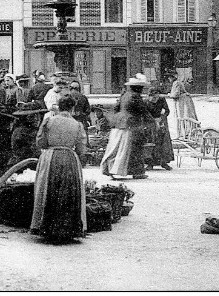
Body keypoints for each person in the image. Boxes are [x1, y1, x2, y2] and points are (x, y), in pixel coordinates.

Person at [31, 95, 88, 242]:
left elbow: (40, 142)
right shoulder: (77, 124)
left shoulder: (49, 121)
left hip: (50, 156)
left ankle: (45, 227)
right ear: (72, 108)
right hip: (70, 158)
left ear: (59, 107)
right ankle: (67, 229)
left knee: (47, 190)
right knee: (69, 192)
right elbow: (81, 148)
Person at [100, 74, 151, 179]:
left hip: (119, 124)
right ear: (138, 88)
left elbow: (115, 108)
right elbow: (144, 112)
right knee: (133, 149)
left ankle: (110, 168)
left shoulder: (124, 95)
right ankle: (136, 172)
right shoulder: (136, 97)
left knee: (116, 147)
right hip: (131, 125)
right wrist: (152, 122)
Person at [145, 85, 173, 170]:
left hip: (161, 122)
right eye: (153, 98)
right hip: (150, 124)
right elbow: (145, 114)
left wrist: (161, 117)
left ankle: (164, 162)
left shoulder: (162, 100)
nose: (155, 99)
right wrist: (152, 120)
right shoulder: (145, 102)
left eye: (156, 97)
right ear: (149, 96)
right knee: (151, 143)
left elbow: (167, 111)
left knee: (163, 142)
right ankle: (150, 163)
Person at [168, 74, 197, 139]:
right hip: (182, 101)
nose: (169, 79)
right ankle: (185, 133)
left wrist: (169, 95)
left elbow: (176, 94)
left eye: (169, 78)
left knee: (183, 116)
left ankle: (185, 134)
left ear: (172, 78)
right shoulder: (177, 82)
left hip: (182, 102)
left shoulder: (176, 83)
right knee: (184, 116)